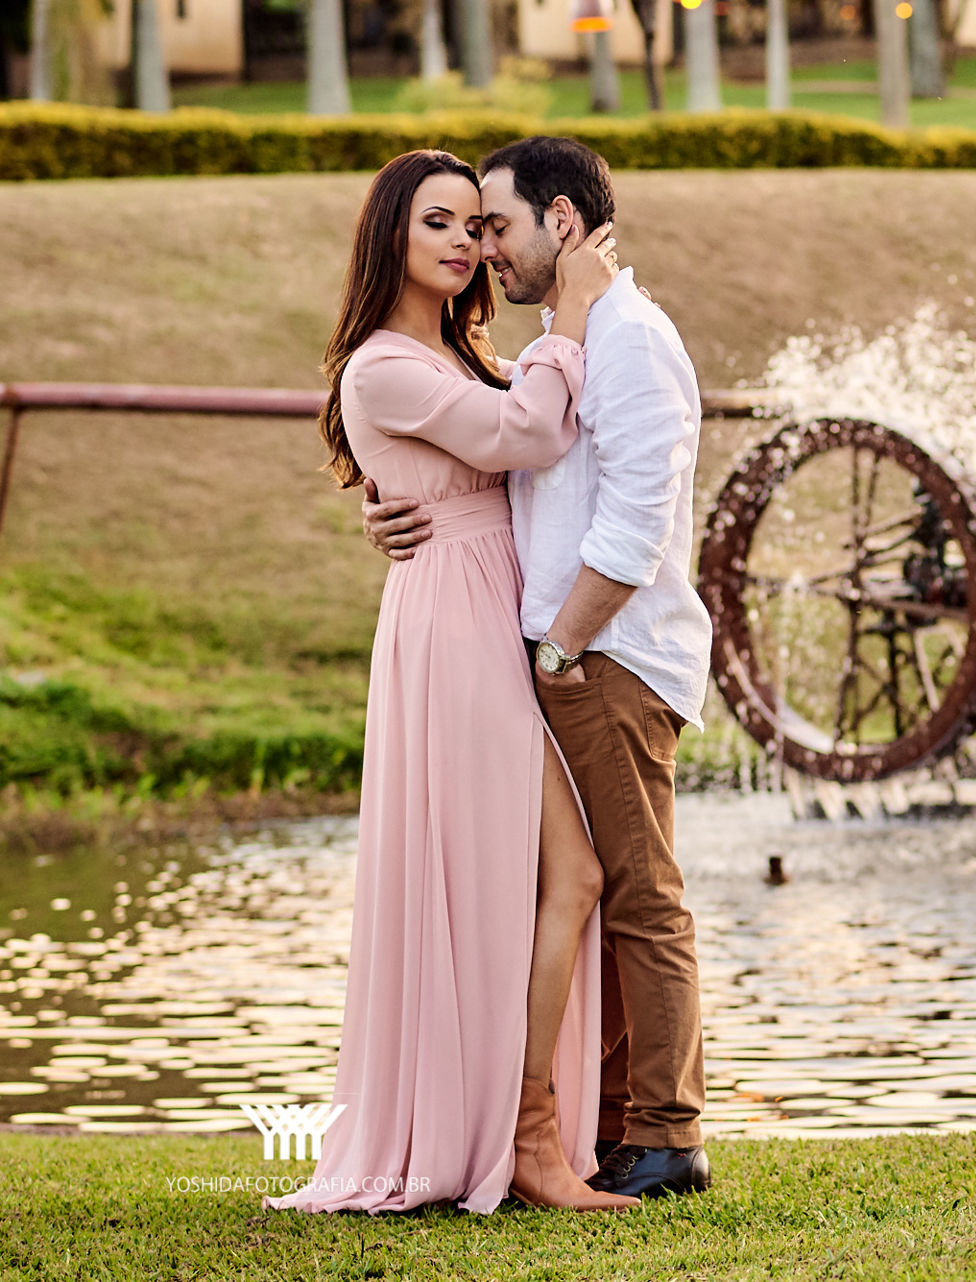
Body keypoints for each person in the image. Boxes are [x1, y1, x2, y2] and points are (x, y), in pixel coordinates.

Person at [267, 149, 635, 1215]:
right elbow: (526, 435)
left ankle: (529, 1130)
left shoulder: (463, 350)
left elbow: (501, 452)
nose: (468, 243)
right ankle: (522, 1139)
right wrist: (569, 315)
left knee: (530, 881)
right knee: (563, 873)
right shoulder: (382, 365)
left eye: (477, 225)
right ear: (392, 234)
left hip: (492, 607)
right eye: (441, 223)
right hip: (456, 629)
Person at [363, 136, 715, 1199]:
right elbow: (500, 457)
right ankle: (596, 1126)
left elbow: (636, 524)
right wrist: (395, 507)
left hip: (602, 652)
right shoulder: (560, 342)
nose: (485, 249)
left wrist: (563, 643)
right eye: (462, 227)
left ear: (561, 223)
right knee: (591, 895)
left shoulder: (628, 340)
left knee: (636, 894)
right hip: (541, 651)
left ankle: (663, 1136)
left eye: (496, 225)